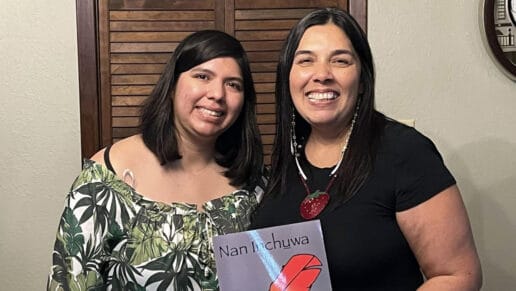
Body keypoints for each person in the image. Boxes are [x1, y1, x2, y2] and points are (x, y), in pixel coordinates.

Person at [250, 8, 482, 290]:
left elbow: (458, 276)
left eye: (340, 61)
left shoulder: (404, 152)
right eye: (306, 61)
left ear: (362, 80)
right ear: (288, 78)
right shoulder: (283, 162)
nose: (321, 74)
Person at [47, 30, 264, 290]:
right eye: (202, 76)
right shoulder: (105, 181)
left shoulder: (255, 184)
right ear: (172, 86)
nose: (217, 93)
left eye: (233, 84)